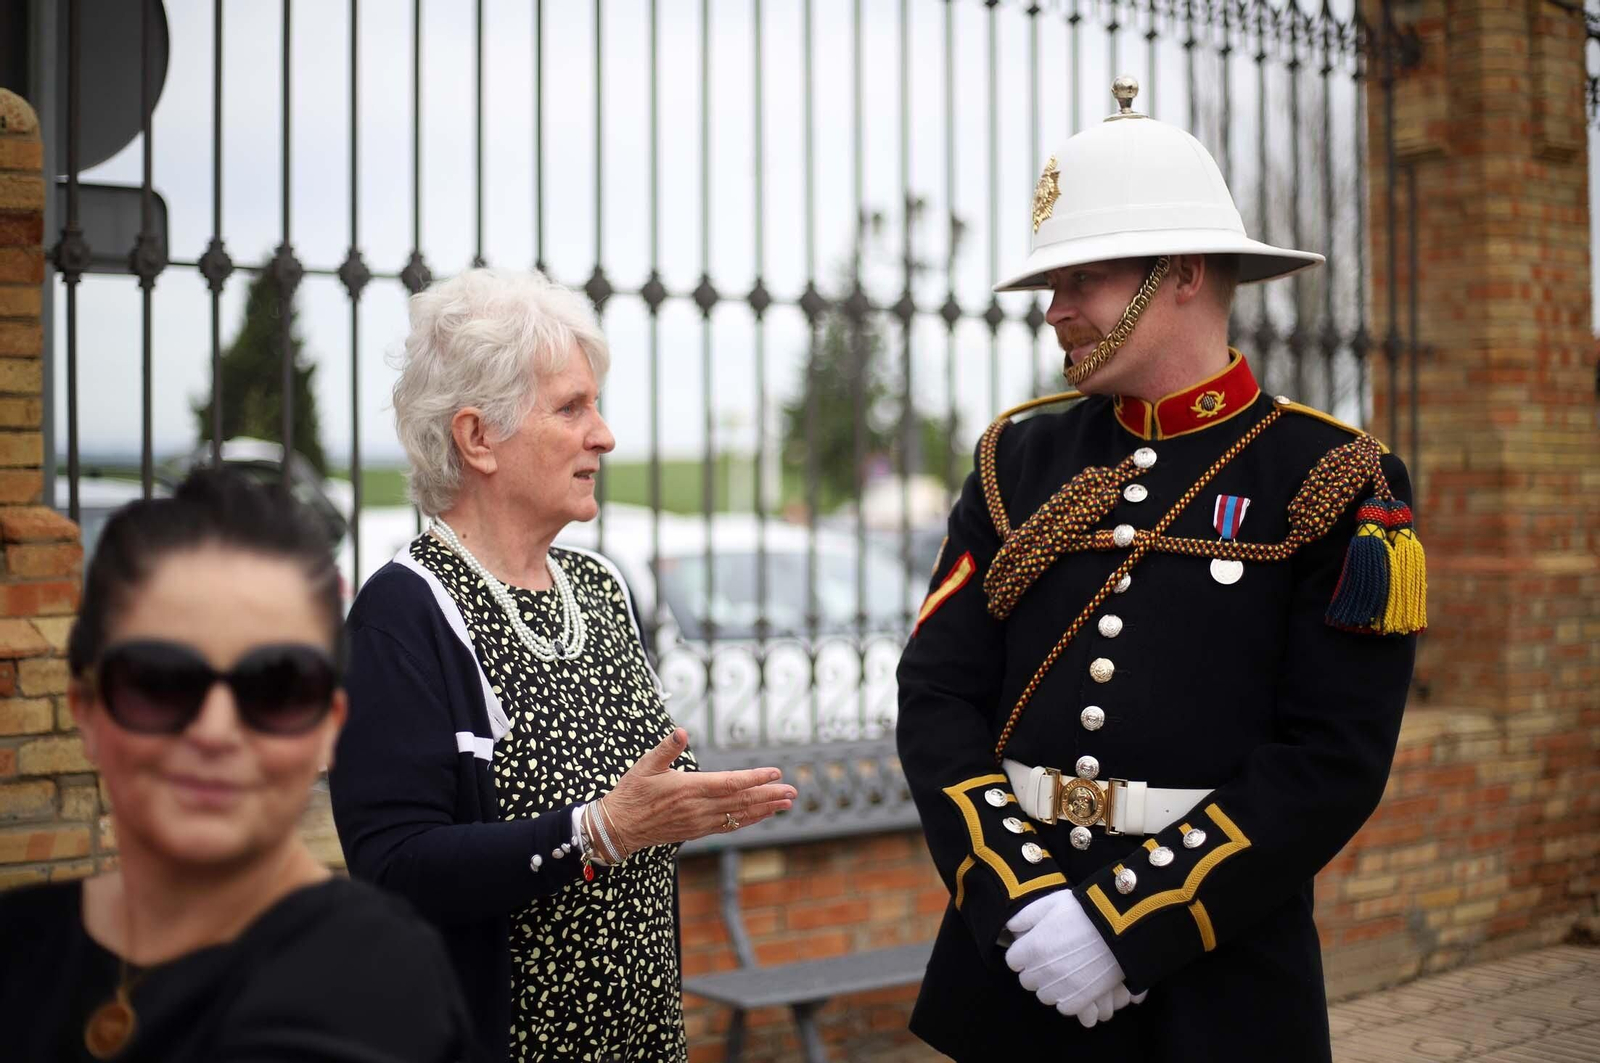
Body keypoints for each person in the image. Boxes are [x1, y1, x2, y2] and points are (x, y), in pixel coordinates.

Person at [896, 77, 1425, 1061]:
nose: (1053, 310)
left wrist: (1124, 925)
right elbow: (935, 694)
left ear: (1179, 273)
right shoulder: (1015, 462)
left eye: (1080, 280)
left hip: (1215, 977)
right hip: (1015, 960)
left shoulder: (1329, 475)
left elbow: (1330, 757)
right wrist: (1022, 899)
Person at [330, 268, 798, 1063]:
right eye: (572, 407)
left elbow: (638, 785)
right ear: (478, 438)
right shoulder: (405, 612)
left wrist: (683, 802)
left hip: (642, 1035)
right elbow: (395, 865)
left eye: (597, 404)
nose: (605, 435)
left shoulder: (602, 586)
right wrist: (596, 832)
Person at [0, 469, 475, 1063]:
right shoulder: (18, 949)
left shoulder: (378, 991)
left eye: (276, 686)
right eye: (161, 681)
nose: (215, 731)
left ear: (330, 728)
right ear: (88, 711)